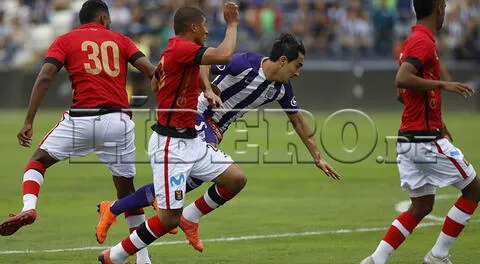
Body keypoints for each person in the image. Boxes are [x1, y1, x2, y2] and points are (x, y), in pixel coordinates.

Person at [95, 33, 341, 252]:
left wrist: (317, 157)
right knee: (211, 178)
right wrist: (208, 89)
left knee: (198, 181)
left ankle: (119, 208)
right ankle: (172, 217)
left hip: (217, 129)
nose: (298, 72)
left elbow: (298, 122)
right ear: (283, 60)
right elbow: (203, 62)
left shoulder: (281, 89)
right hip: (199, 115)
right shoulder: (245, 62)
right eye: (297, 65)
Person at [0, 1, 156, 263]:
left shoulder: (66, 40)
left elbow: (46, 75)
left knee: (37, 162)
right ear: (104, 18)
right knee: (127, 194)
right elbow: (151, 72)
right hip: (117, 121)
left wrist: (29, 120)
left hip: (81, 119)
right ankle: (143, 259)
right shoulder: (120, 39)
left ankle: (29, 208)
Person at [98, 3, 242, 264]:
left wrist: (205, 88)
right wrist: (232, 23)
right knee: (167, 219)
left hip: (191, 142)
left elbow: (158, 81)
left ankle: (190, 217)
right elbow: (224, 56)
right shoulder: (182, 48)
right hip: (171, 145)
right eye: (205, 26)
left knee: (235, 179)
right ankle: (115, 256)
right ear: (194, 27)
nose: (208, 30)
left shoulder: (174, 49)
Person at [360, 1, 479, 264]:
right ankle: (438, 255)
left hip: (409, 139)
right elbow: (402, 79)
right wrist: (443, 84)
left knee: (422, 205)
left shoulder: (413, 40)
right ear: (438, 8)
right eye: (444, 6)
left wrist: (438, 119)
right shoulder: (423, 42)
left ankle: (376, 259)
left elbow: (403, 94)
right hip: (424, 140)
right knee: (474, 190)